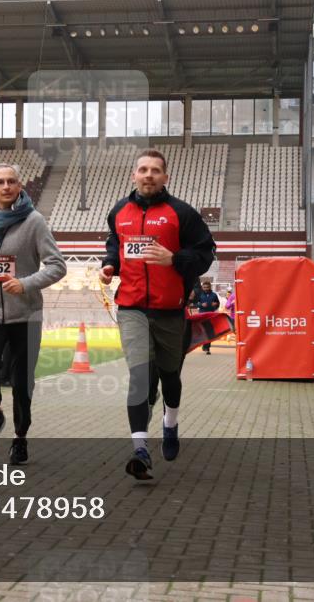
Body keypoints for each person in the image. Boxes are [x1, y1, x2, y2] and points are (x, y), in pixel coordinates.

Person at [100, 148, 215, 480]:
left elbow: (206, 253)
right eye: (143, 170)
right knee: (140, 376)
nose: (148, 175)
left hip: (170, 309)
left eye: (155, 170)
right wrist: (110, 265)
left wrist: (175, 259)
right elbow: (115, 244)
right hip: (131, 307)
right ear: (133, 175)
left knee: (170, 376)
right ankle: (140, 448)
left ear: (165, 177)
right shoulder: (118, 211)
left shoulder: (182, 213)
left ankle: (170, 423)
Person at [0, 163, 66, 464]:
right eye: (0, 182)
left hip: (26, 315)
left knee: (22, 383)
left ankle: (20, 437)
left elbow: (57, 266)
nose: (6, 186)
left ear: (20, 186)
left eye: (11, 181)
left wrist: (25, 283)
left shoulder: (34, 221)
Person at [194, 279, 221, 354]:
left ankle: (207, 347)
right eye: (204, 287)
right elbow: (194, 304)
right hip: (202, 314)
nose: (206, 289)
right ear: (202, 287)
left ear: (210, 287)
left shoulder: (214, 295)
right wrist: (201, 305)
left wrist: (215, 305)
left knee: (209, 331)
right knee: (203, 330)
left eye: (207, 287)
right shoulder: (199, 295)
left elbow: (217, 303)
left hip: (210, 314)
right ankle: (204, 344)